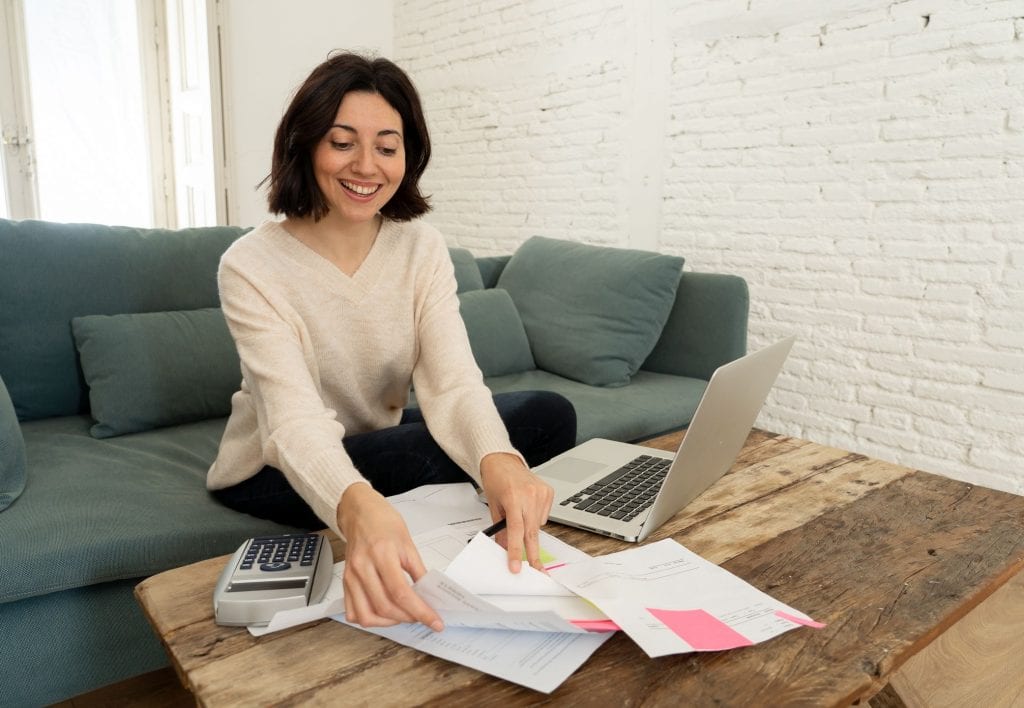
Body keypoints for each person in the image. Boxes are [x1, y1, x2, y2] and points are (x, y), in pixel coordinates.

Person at [206, 52, 577, 633]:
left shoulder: (421, 248)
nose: (366, 166)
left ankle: (489, 543)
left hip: (370, 438)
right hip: (276, 466)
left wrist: (500, 462)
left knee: (544, 414)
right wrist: (358, 506)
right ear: (305, 145)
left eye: (386, 146)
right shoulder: (250, 265)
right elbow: (296, 423)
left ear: (409, 154)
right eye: (342, 142)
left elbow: (453, 384)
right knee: (418, 456)